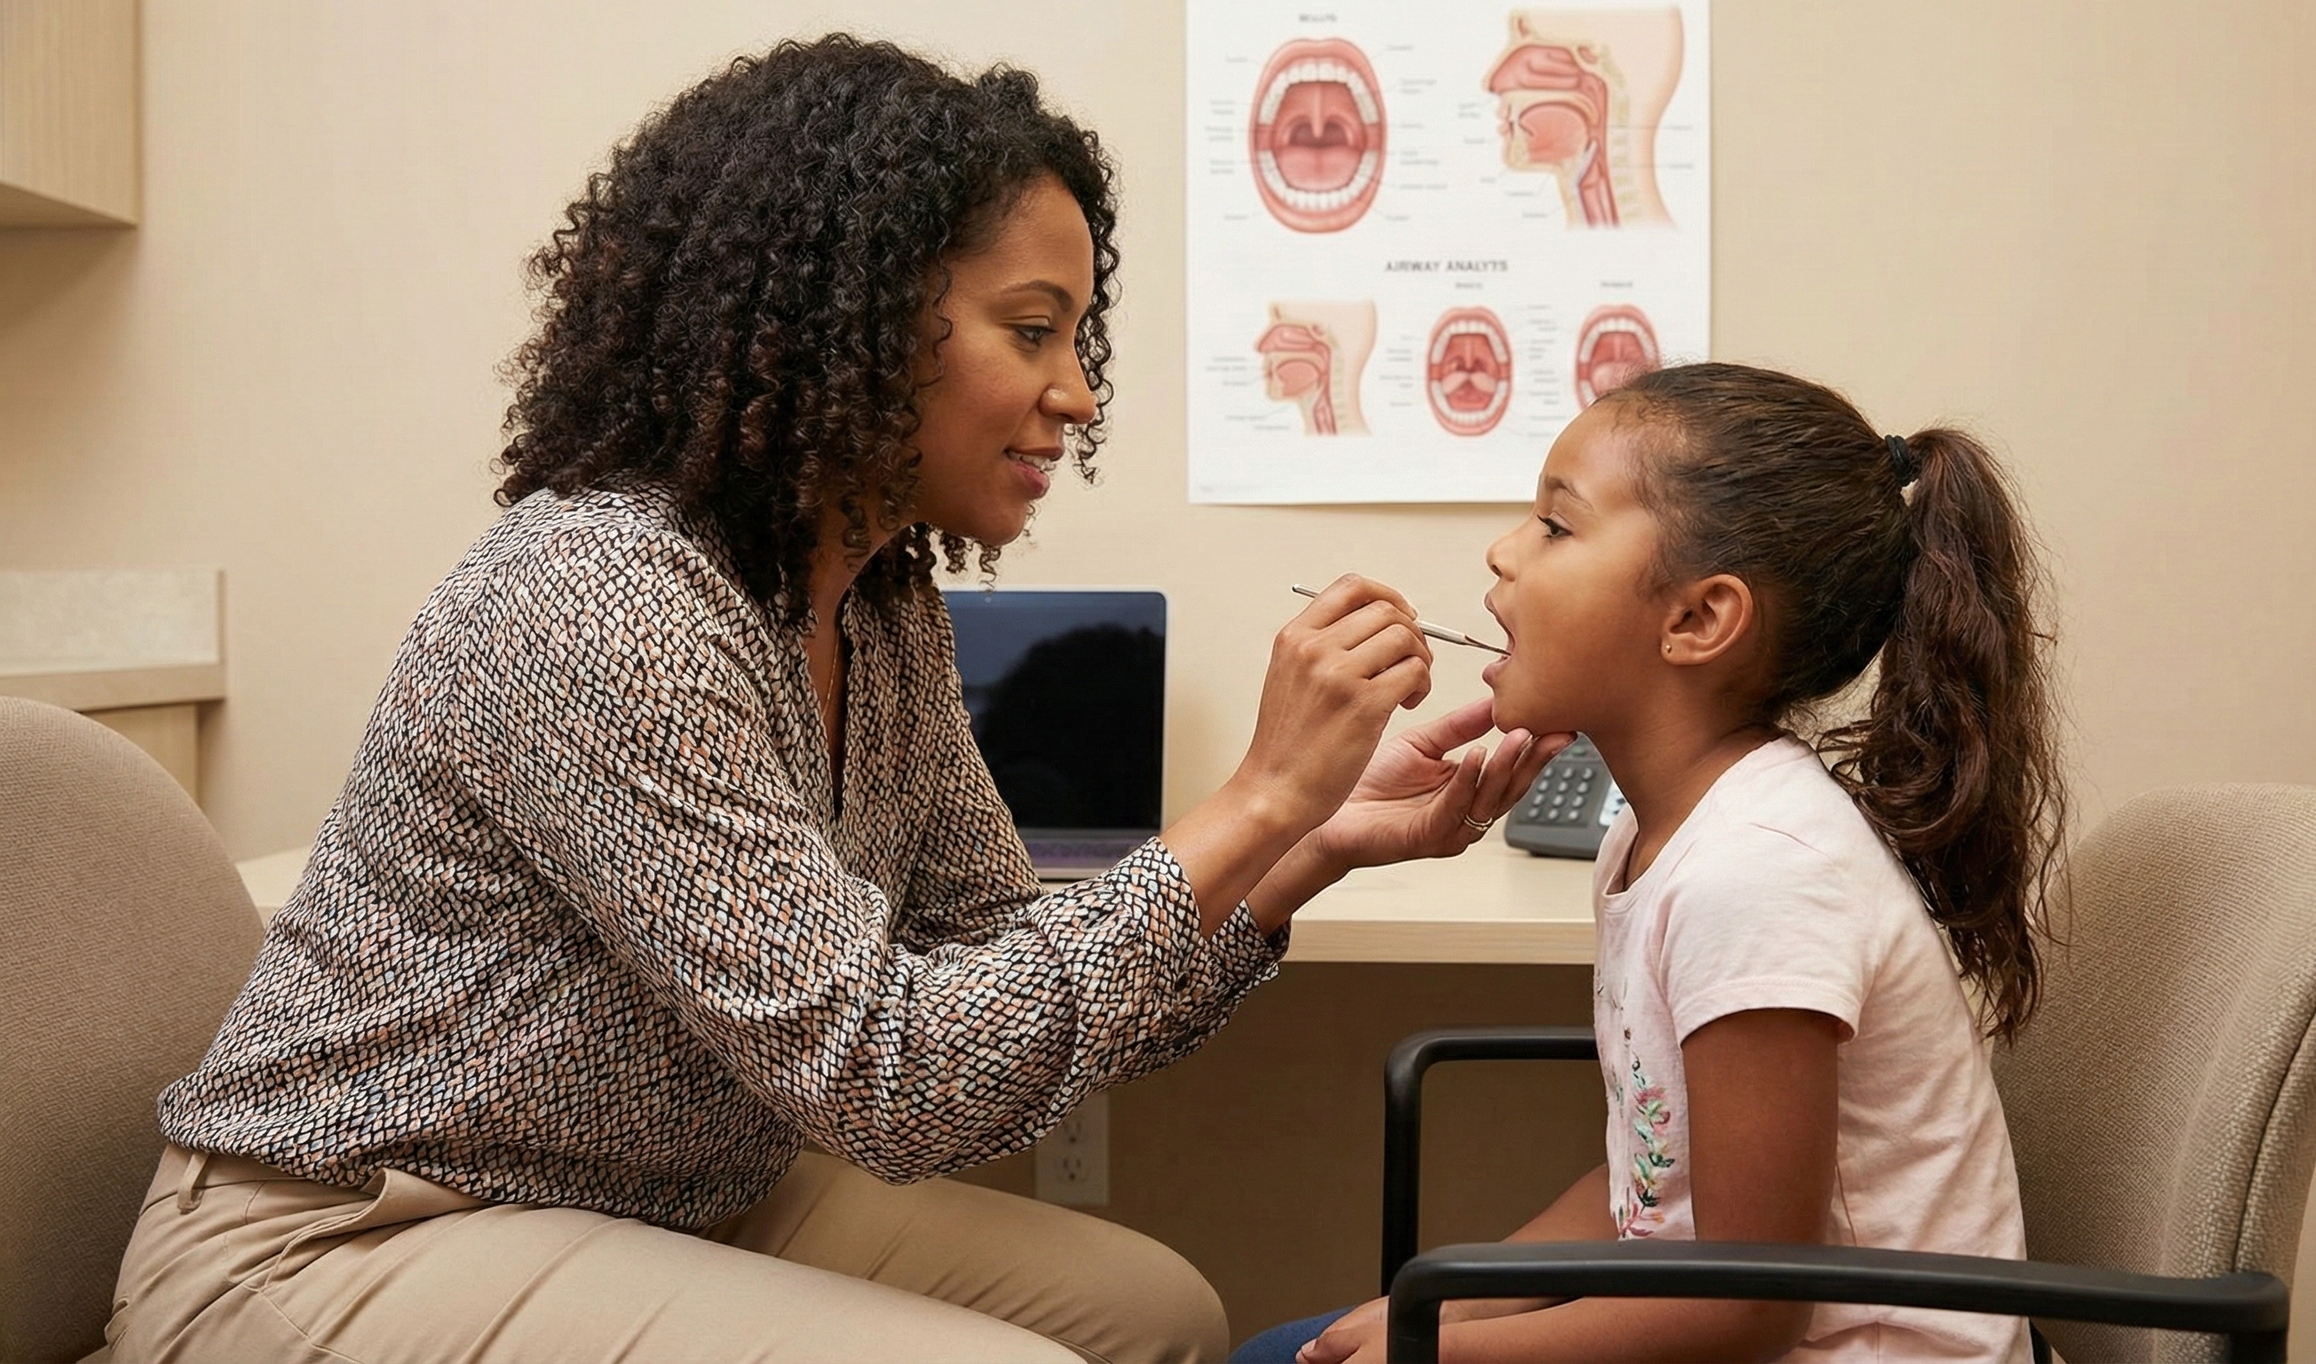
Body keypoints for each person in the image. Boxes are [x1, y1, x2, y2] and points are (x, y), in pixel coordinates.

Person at [102, 35, 1568, 1364]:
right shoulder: (607, 601)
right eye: (1031, 329)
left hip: (659, 1193)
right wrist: (1251, 798)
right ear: (850, 322)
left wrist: (1307, 840)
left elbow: (1000, 969)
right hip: (348, 1235)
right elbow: (897, 1087)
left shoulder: (878, 603)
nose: (1079, 393)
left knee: (1160, 1315)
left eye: (1080, 338)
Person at [1235, 362, 2067, 1364]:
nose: (1503, 551)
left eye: (1554, 526)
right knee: (1289, 1347)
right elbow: (1650, 1177)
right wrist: (1451, 1303)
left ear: (1697, 619)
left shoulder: (1755, 875)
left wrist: (1442, 1344)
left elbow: (1747, 1308)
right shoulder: (1660, 833)